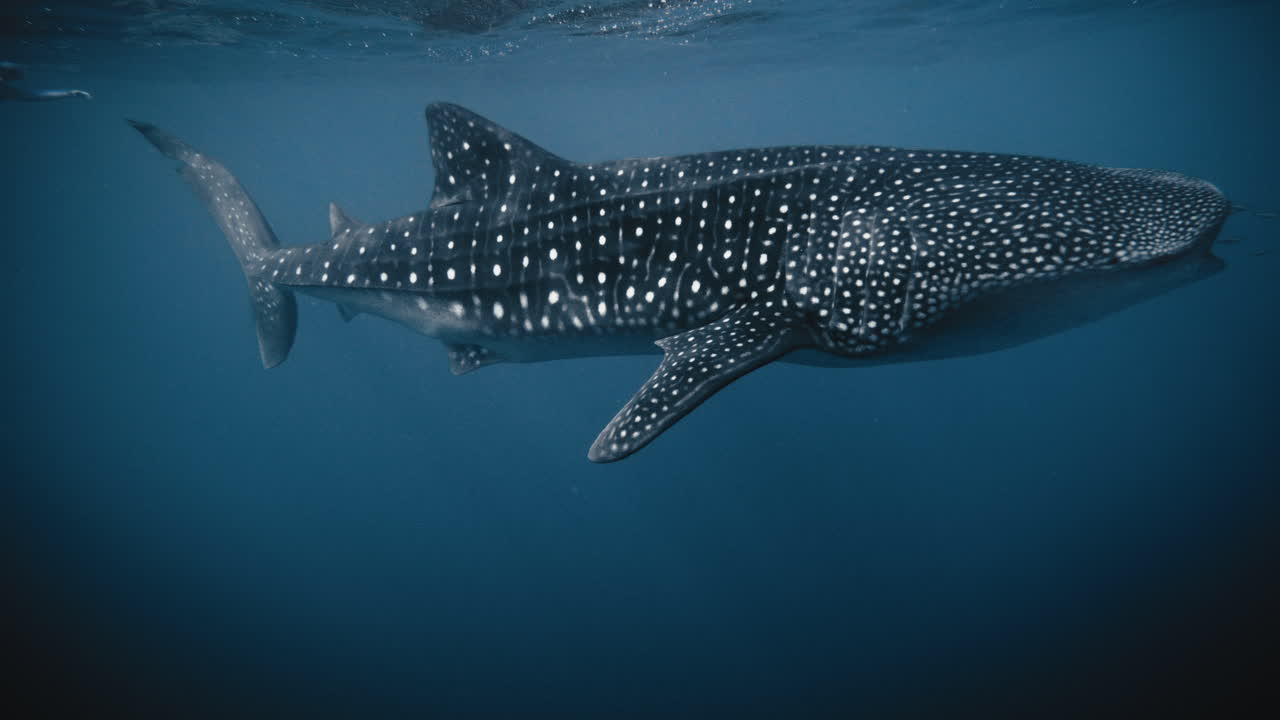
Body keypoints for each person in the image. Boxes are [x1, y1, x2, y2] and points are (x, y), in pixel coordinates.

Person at [0, 62, 92, 101]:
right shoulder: (4, 89)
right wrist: (69, 93)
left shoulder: (4, 89)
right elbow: (32, 96)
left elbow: (32, 96)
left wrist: (69, 93)